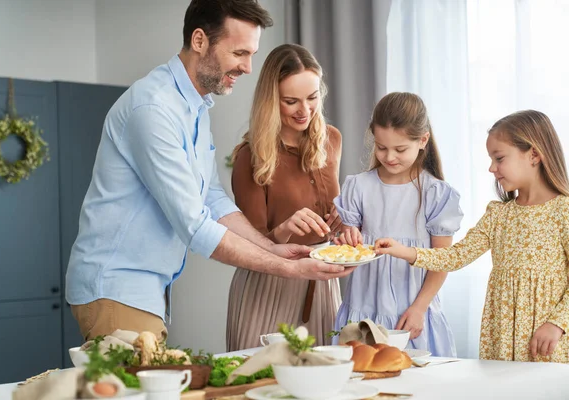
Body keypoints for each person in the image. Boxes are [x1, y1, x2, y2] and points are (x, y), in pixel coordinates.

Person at [65, 0, 354, 342]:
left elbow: (213, 199)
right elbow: (194, 225)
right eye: (239, 53)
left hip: (144, 290)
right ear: (200, 40)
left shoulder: (195, 107)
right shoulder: (154, 109)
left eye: (251, 55)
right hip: (116, 287)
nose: (248, 67)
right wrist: (287, 267)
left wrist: (269, 248)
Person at [374, 110, 569, 363]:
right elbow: (456, 256)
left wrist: (557, 323)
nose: (491, 168)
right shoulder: (499, 214)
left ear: (533, 154)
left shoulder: (563, 212)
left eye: (499, 158)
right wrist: (402, 250)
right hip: (502, 336)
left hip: (547, 340)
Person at [226, 44, 344, 350]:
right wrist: (286, 229)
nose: (304, 111)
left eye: (313, 98)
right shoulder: (250, 157)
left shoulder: (331, 140)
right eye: (291, 101)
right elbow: (248, 245)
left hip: (321, 285)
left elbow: (335, 216)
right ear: (271, 101)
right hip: (269, 287)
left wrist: (344, 221)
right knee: (258, 389)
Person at [333, 92, 462, 357]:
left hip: (412, 314)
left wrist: (419, 309)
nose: (389, 156)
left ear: (422, 140)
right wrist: (347, 237)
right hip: (363, 310)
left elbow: (442, 260)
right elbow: (347, 242)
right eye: (381, 147)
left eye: (400, 149)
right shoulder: (358, 186)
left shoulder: (435, 193)